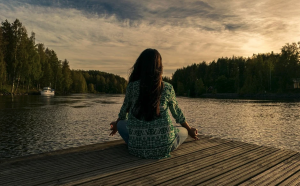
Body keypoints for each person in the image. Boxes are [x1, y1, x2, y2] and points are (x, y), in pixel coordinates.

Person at [109, 48, 199, 159]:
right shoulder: (167, 88)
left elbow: (123, 112)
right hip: (164, 147)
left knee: (121, 123)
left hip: (136, 149)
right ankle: (172, 134)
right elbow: (178, 114)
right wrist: (190, 130)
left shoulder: (132, 87)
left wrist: (116, 125)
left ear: (140, 66)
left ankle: (138, 141)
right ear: (159, 68)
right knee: (183, 131)